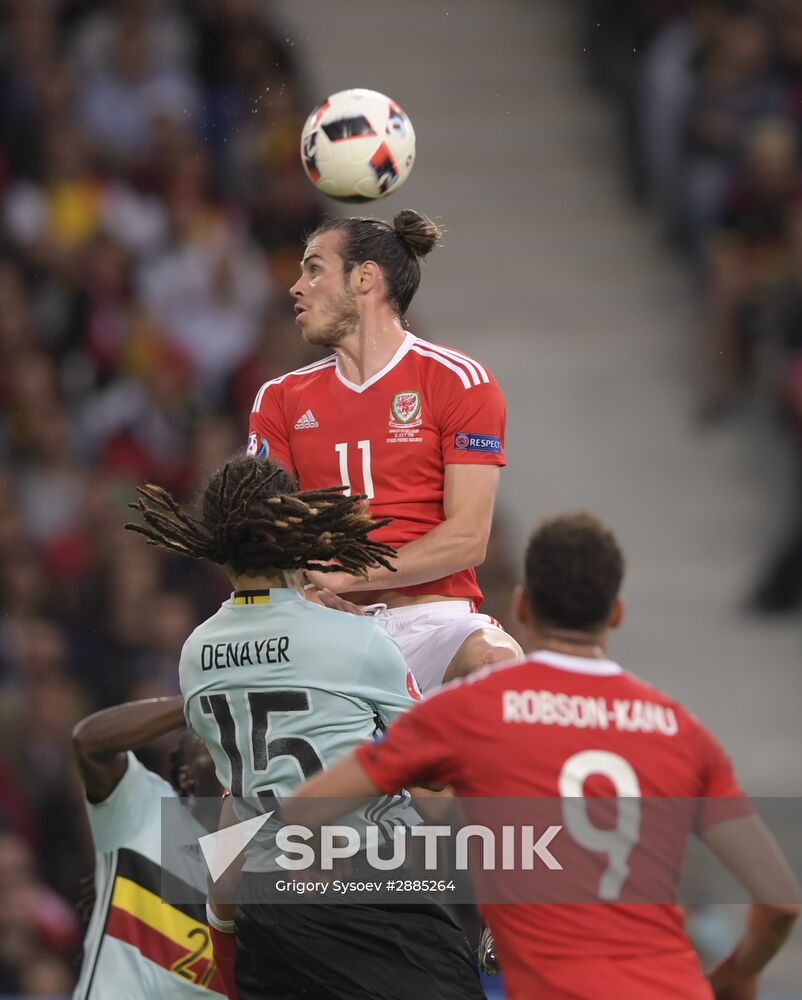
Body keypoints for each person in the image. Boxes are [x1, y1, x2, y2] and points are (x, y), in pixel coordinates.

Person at [286, 512, 799, 1000]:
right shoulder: (679, 729)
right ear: (616, 614)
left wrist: (363, 650)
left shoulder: (468, 710)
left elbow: (310, 807)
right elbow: (780, 901)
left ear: (523, 607)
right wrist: (739, 972)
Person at [126, 455, 485, 1000]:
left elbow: (235, 801)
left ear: (217, 540)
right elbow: (434, 788)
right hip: (368, 897)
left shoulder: (196, 653)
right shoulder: (354, 638)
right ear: (298, 524)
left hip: (268, 913)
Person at [247, 209, 521, 692]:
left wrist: (352, 574)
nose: (296, 287)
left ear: (365, 278)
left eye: (314, 269)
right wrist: (303, 593)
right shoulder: (279, 399)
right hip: (323, 624)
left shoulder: (458, 381)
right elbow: (261, 533)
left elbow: (468, 537)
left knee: (498, 662)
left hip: (432, 625)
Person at [72, 695, 227, 999]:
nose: (232, 748)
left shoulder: (267, 859)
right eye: (212, 742)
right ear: (187, 775)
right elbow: (88, 742)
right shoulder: (143, 807)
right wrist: (200, 698)